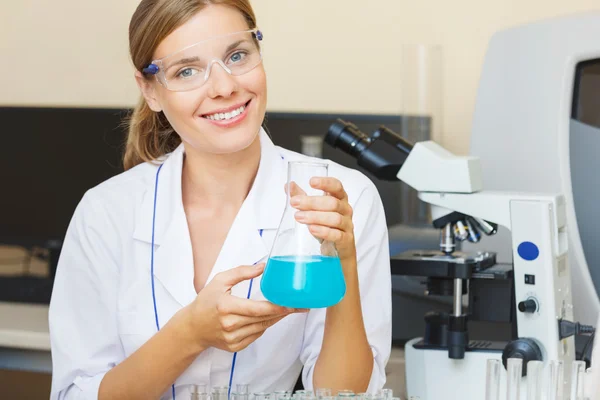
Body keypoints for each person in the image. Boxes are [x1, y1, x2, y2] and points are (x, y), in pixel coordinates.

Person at [48, 0, 392, 399]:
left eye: (237, 55)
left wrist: (343, 261)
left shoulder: (339, 196)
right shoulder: (107, 212)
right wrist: (189, 334)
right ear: (150, 90)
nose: (225, 87)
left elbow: (343, 395)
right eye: (187, 70)